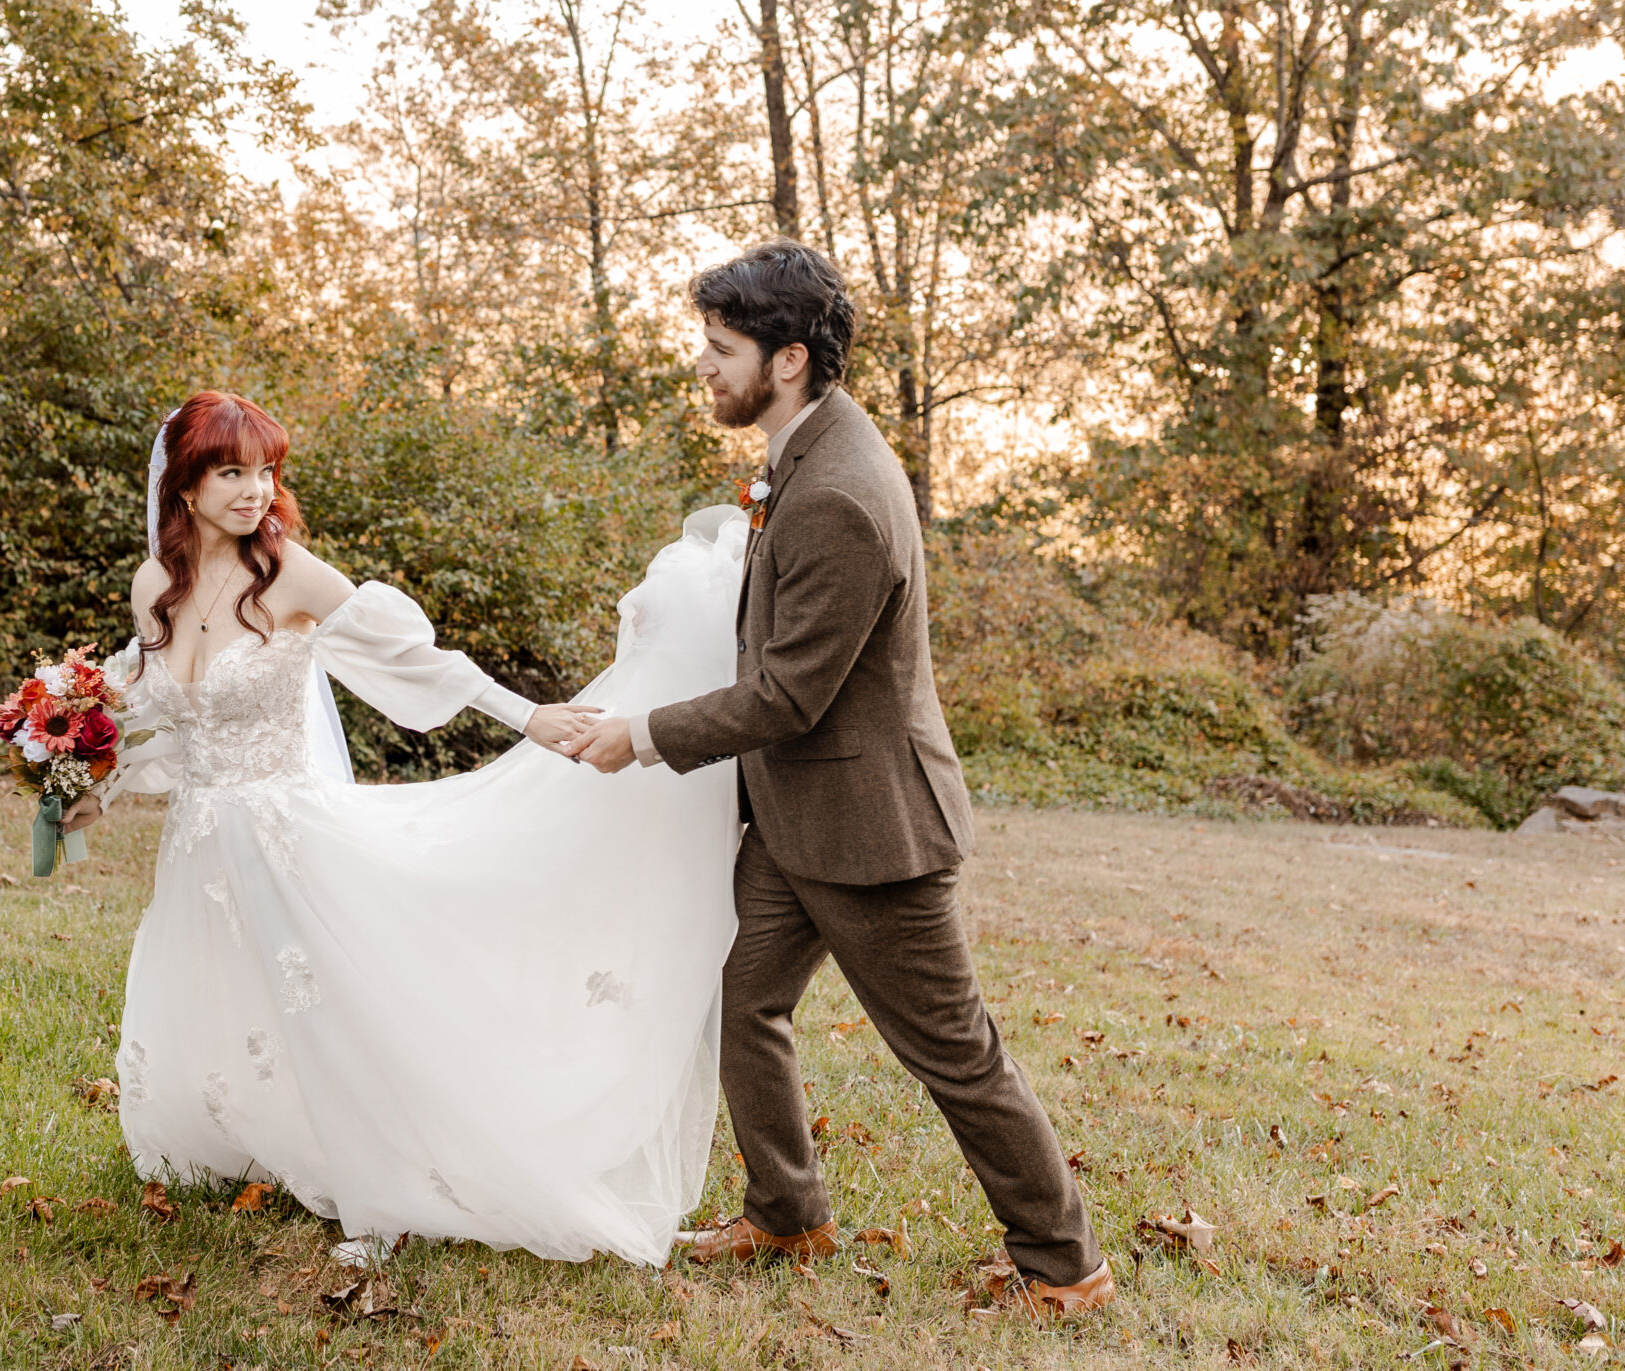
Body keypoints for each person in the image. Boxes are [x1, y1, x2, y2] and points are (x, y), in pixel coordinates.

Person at [63, 389, 749, 1264]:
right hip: (201, 842)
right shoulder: (155, 585)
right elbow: (169, 718)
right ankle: (252, 1144)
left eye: (265, 471)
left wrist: (527, 715)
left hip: (282, 836)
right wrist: (94, 782)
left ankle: (376, 1200)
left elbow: (414, 662)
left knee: (327, 1014)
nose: (253, 491)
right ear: (184, 485)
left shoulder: (290, 574)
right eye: (229, 471)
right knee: (233, 996)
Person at [562, 241, 1114, 1317]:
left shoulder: (841, 494)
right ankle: (787, 1214)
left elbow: (787, 696)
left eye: (722, 351)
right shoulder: (809, 456)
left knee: (955, 1055)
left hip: (871, 833)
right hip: (794, 817)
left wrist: (641, 734)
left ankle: (1065, 1267)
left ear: (790, 361)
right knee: (739, 1001)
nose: (706, 370)